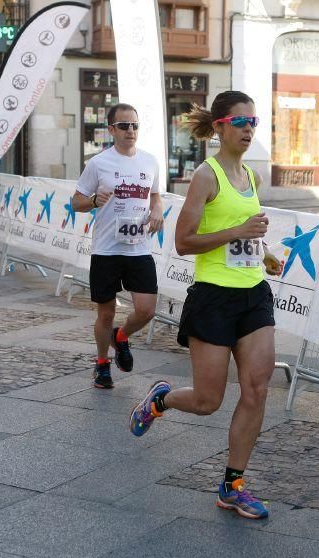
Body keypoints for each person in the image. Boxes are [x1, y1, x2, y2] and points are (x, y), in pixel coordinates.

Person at [127, 91, 283, 520]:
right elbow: (183, 241)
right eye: (240, 122)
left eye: (253, 121)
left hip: (254, 295)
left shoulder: (251, 178)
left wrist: (262, 251)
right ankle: (160, 400)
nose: (249, 129)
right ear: (219, 127)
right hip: (213, 297)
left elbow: (245, 233)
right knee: (207, 401)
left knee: (256, 389)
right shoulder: (205, 176)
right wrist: (237, 231)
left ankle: (233, 485)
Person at [70, 103, 164, 389]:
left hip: (138, 248)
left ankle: (120, 336)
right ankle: (101, 364)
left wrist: (158, 209)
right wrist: (94, 201)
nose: (130, 131)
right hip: (107, 249)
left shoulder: (149, 161)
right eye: (124, 126)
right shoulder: (99, 163)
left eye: (134, 125)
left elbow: (156, 195)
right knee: (106, 312)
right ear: (111, 130)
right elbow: (76, 202)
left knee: (147, 310)